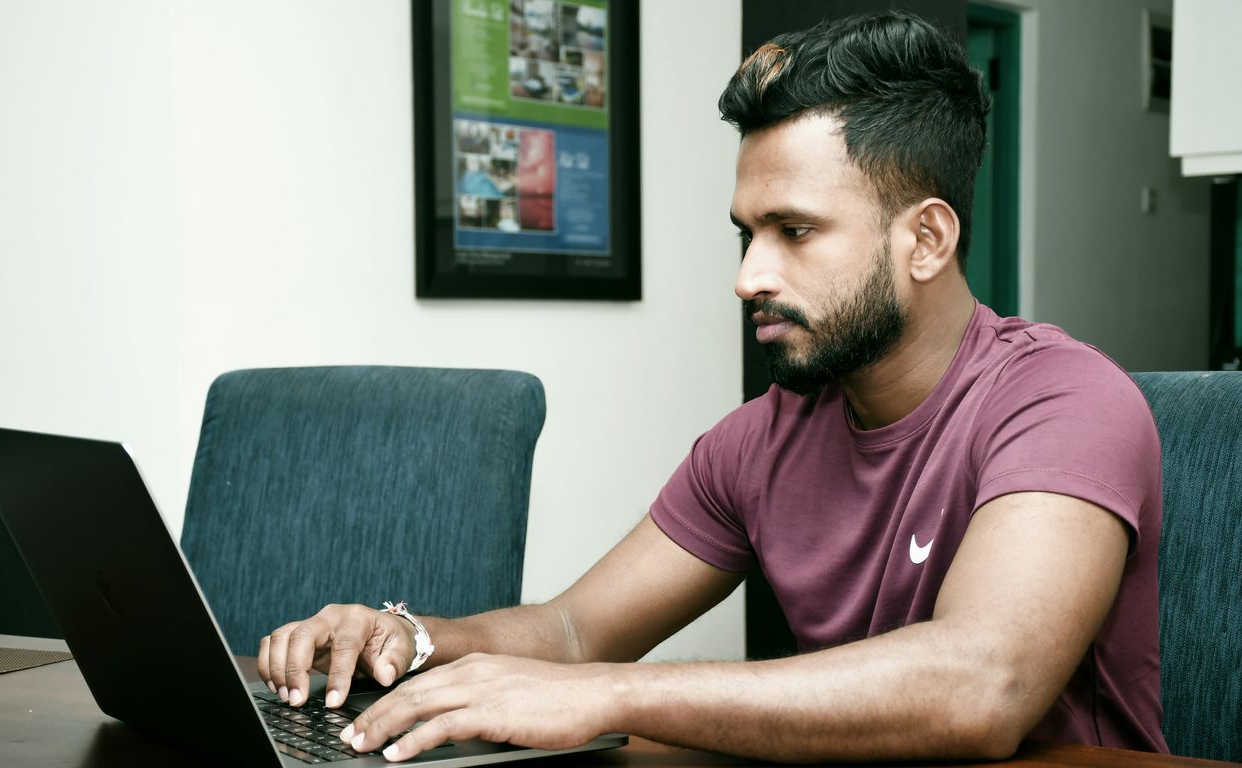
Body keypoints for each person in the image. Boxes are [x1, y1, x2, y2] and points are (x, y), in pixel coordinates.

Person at [258, 11, 1166, 763]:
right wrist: (408, 641)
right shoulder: (762, 439)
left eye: (795, 231)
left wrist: (598, 696)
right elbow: (576, 632)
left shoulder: (1065, 401)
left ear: (926, 240)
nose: (749, 277)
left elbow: (981, 685)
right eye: (746, 234)